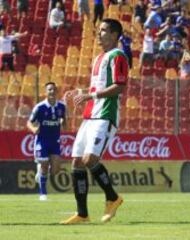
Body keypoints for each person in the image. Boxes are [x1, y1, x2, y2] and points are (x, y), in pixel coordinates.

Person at [61, 18, 128, 224]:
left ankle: (112, 197)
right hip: (90, 116)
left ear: (115, 34)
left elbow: (120, 86)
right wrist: (83, 92)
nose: (99, 34)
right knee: (77, 162)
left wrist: (91, 96)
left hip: (105, 115)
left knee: (90, 159)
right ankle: (82, 214)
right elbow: (97, 86)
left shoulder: (118, 56)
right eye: (99, 30)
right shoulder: (99, 57)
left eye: (104, 30)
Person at [27, 82, 66, 201]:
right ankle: (42, 193)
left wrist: (63, 123)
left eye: (54, 89)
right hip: (42, 142)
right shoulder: (39, 107)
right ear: (46, 92)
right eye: (49, 90)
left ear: (57, 91)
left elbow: (65, 123)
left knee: (55, 170)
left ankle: (41, 173)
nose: (52, 92)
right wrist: (34, 129)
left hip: (55, 141)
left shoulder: (62, 107)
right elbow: (29, 122)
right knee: (44, 166)